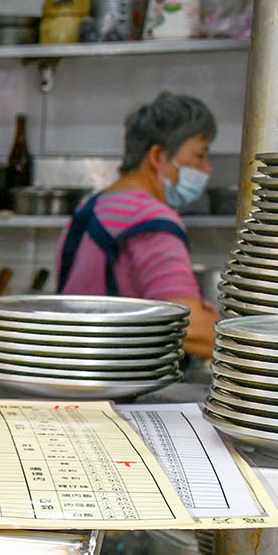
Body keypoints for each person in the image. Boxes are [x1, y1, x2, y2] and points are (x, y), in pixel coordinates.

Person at [56, 91, 218, 357]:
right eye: (199, 155)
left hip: (76, 369)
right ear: (158, 156)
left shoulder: (89, 208)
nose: (208, 169)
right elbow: (187, 327)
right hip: (122, 382)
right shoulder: (151, 219)